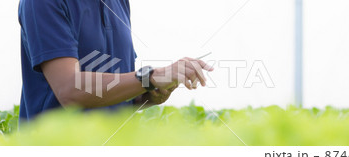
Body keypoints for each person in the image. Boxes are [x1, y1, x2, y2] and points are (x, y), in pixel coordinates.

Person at [18, 0, 213, 121]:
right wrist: (150, 78)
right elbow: (70, 90)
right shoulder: (42, 3)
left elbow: (117, 90)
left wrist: (146, 96)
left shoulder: (119, 3)